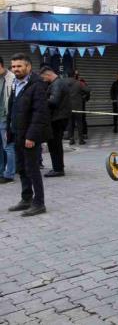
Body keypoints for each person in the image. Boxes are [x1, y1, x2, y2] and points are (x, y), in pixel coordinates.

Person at [6, 54, 52, 217]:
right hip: (17, 133)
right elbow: (13, 108)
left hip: (29, 136)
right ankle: (26, 199)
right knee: (21, 168)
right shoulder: (15, 83)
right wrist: (9, 131)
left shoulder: (37, 85)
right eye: (13, 66)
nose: (16, 69)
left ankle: (39, 203)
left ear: (28, 67)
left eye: (19, 66)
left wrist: (31, 137)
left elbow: (39, 113)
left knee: (32, 169)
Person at [40, 66, 71, 177]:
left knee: (54, 144)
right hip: (59, 117)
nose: (44, 80)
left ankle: (57, 169)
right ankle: (58, 167)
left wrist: (41, 98)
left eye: (43, 78)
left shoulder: (57, 84)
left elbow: (54, 101)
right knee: (55, 144)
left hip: (57, 119)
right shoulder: (59, 83)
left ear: (48, 74)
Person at [0, 57, 15, 184]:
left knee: (8, 147)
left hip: (6, 118)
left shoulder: (12, 78)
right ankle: (1, 171)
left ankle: (9, 174)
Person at [67, 71, 90, 145]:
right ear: (74, 75)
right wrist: (83, 96)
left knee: (70, 123)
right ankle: (81, 140)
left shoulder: (64, 83)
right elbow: (87, 90)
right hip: (78, 107)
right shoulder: (79, 83)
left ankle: (71, 139)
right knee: (79, 123)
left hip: (68, 107)